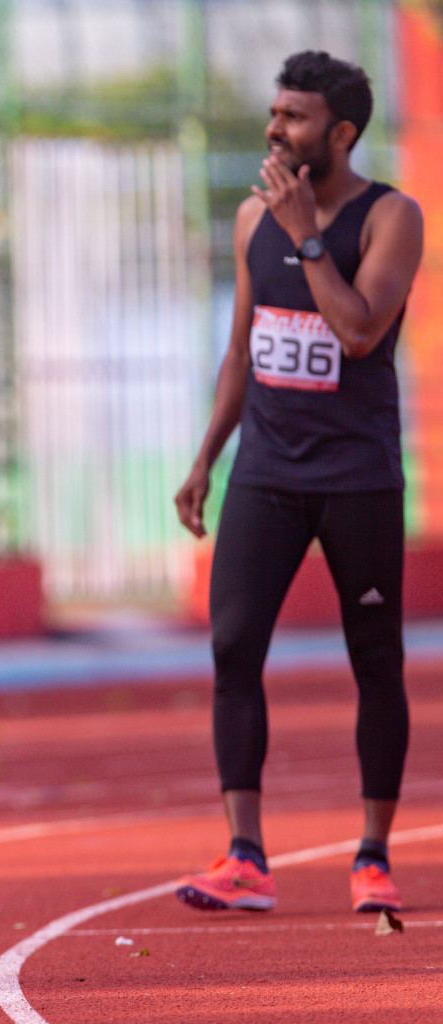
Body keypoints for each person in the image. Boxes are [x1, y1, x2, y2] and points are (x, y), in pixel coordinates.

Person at [173, 51, 424, 915]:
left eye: (296, 117)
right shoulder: (251, 220)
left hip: (354, 476)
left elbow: (358, 331)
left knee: (375, 660)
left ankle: (372, 855)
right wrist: (208, 458)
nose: (276, 129)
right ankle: (245, 856)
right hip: (266, 474)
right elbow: (242, 350)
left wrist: (308, 233)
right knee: (233, 649)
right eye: (275, 112)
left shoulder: (392, 217)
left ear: (342, 133)